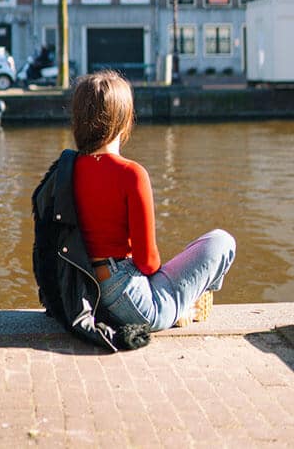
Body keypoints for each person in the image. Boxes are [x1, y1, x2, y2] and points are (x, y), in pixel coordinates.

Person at [71, 70, 236, 331]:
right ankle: (184, 305)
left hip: (78, 294)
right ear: (124, 121)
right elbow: (147, 262)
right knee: (221, 241)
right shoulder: (131, 174)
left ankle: (179, 304)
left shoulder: (66, 170)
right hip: (131, 303)